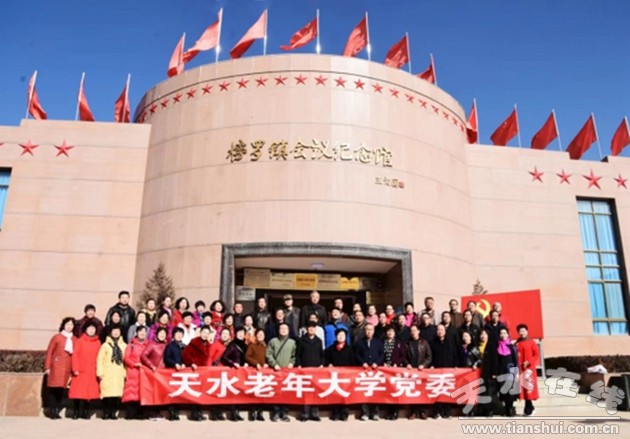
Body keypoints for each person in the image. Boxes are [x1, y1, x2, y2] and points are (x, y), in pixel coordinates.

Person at [45, 317, 75, 419]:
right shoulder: (57, 337)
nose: (69, 327)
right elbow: (49, 352)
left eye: (71, 325)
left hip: (67, 368)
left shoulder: (74, 339)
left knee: (61, 391)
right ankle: (52, 411)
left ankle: (57, 410)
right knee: (53, 390)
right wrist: (47, 367)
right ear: (63, 325)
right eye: (67, 324)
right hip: (56, 367)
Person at [69, 321, 100, 420]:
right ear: (85, 330)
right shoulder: (80, 341)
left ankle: (86, 412)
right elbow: (75, 355)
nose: (91, 330)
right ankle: (76, 412)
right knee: (77, 393)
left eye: (93, 328)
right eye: (89, 328)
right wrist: (75, 368)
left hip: (92, 370)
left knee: (88, 393)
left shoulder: (98, 342)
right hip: (81, 370)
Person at [266, 323, 297, 422]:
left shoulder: (292, 342)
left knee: (286, 393)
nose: (283, 330)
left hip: (287, 372)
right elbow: (268, 354)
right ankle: (276, 412)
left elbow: (294, 355)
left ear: (288, 330)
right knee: (276, 392)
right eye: (281, 328)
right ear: (278, 330)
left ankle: (284, 413)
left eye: (285, 328)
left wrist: (292, 363)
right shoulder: (273, 341)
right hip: (275, 371)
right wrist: (274, 364)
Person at [182, 326, 213, 421]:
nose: (205, 335)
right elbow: (185, 354)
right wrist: (191, 363)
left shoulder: (208, 345)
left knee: (200, 392)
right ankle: (194, 413)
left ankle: (199, 412)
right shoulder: (194, 342)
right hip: (194, 370)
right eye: (204, 332)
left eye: (207, 333)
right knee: (194, 392)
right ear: (200, 333)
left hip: (203, 371)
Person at [296, 321, 325, 422]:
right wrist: (299, 364)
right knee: (306, 392)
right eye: (309, 327)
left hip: (316, 370)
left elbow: (322, 355)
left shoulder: (319, 341)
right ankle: (305, 414)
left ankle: (314, 413)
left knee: (315, 392)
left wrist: (322, 364)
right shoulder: (301, 340)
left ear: (316, 329)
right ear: (306, 329)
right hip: (305, 370)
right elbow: (298, 354)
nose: (311, 329)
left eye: (313, 327)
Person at [97, 325, 127, 419]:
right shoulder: (105, 345)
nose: (116, 333)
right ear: (110, 332)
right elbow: (100, 359)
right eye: (114, 331)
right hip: (107, 372)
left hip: (118, 372)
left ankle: (113, 412)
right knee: (106, 394)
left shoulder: (124, 345)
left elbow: (126, 360)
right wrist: (99, 372)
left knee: (116, 394)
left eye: (118, 331)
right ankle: (106, 412)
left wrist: (125, 372)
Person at [355, 323, 384, 421]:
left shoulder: (378, 342)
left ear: (374, 331)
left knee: (375, 392)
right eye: (367, 329)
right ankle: (365, 413)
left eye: (371, 329)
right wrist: (362, 362)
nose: (369, 331)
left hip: (375, 371)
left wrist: (377, 363)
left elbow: (382, 354)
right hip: (364, 371)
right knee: (364, 392)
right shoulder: (360, 342)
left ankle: (375, 413)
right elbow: (357, 354)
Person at [430, 324, 458, 419]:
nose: (440, 332)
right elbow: (431, 356)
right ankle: (437, 412)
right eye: (438, 330)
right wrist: (432, 365)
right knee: (437, 392)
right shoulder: (433, 342)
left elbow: (455, 354)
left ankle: (447, 412)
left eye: (442, 330)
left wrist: (455, 365)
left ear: (445, 331)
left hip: (448, 371)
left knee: (447, 392)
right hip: (437, 371)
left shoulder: (450, 342)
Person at [325, 329, 354, 421]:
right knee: (334, 395)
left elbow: (353, 363)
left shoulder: (349, 349)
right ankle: (335, 413)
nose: (340, 337)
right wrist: (328, 364)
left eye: (342, 335)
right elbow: (326, 359)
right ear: (336, 336)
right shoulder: (330, 349)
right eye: (339, 335)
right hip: (334, 377)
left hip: (346, 377)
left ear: (345, 337)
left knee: (345, 395)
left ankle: (344, 413)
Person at [220, 327, 247, 421]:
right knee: (233, 392)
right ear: (235, 334)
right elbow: (224, 357)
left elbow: (246, 358)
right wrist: (233, 363)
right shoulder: (232, 345)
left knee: (240, 392)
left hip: (242, 372)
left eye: (242, 333)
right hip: (233, 371)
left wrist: (246, 363)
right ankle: (232, 413)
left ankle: (237, 412)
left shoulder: (245, 345)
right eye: (239, 332)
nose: (240, 334)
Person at [121, 325, 148, 420]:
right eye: (140, 331)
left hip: (144, 372)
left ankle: (141, 413)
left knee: (142, 392)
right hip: (133, 371)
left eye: (144, 331)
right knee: (131, 393)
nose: (142, 333)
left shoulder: (148, 344)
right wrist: (134, 364)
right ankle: (130, 413)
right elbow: (126, 358)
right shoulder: (131, 344)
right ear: (136, 333)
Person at [405, 324, 432, 419]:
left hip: (422, 371)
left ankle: (422, 411)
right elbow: (404, 357)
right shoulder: (407, 343)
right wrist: (407, 364)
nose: (413, 332)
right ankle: (413, 412)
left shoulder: (424, 343)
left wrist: (424, 365)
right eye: (411, 331)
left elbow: (429, 357)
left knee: (422, 391)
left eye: (415, 330)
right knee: (413, 392)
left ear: (418, 331)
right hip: (412, 371)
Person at [383, 325, 406, 420]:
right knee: (388, 391)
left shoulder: (398, 343)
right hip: (385, 370)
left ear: (395, 333)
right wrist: (383, 363)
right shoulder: (383, 342)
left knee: (395, 390)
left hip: (395, 370)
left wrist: (396, 363)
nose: (390, 333)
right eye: (388, 331)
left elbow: (403, 356)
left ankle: (395, 411)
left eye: (392, 331)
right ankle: (389, 411)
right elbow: (381, 354)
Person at [163, 327, 187, 421]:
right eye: (177, 334)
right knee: (172, 392)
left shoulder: (184, 346)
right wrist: (174, 364)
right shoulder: (170, 346)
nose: (179, 335)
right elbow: (167, 358)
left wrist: (185, 363)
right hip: (172, 372)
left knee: (179, 392)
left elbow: (187, 357)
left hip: (182, 373)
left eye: (181, 334)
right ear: (173, 335)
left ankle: (176, 411)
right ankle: (171, 412)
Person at [245, 329, 268, 421]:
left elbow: (269, 357)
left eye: (262, 334)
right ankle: (253, 411)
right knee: (254, 392)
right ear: (256, 336)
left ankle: (260, 412)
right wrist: (256, 363)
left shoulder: (266, 346)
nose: (260, 335)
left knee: (262, 392)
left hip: (264, 372)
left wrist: (267, 363)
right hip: (254, 372)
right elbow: (247, 356)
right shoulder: (252, 345)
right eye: (259, 334)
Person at [516, 323, 539, 416]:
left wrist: (529, 361)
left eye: (523, 331)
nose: (522, 333)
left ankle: (529, 407)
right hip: (520, 369)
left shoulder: (532, 342)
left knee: (528, 388)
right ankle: (529, 407)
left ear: (527, 331)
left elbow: (536, 355)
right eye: (520, 331)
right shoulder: (517, 343)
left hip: (529, 369)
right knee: (523, 389)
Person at [495, 328, 518, 417]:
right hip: (501, 372)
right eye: (501, 333)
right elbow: (496, 361)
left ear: (508, 334)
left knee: (511, 391)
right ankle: (506, 408)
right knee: (503, 391)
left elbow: (515, 360)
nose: (503, 335)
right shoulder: (497, 346)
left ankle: (510, 408)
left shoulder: (512, 347)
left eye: (504, 333)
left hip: (510, 371)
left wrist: (516, 373)